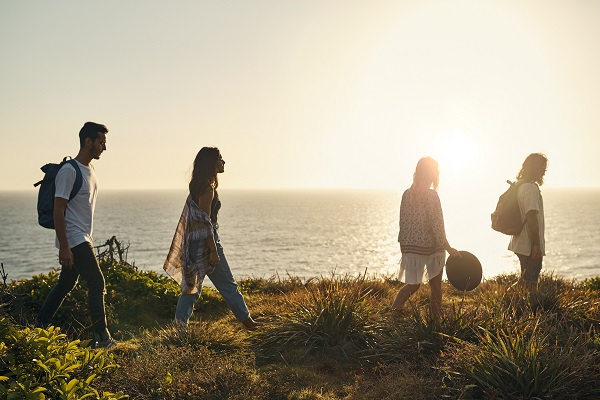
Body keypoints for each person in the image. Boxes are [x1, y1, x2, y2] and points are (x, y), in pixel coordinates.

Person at [35, 122, 116, 349]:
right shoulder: (69, 171)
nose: (104, 148)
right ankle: (102, 337)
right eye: (101, 142)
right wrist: (64, 246)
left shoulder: (91, 171)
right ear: (88, 141)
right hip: (74, 238)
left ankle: (38, 327)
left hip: (82, 237)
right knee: (96, 282)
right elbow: (58, 210)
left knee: (65, 284)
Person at [164, 147, 259, 330]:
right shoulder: (207, 189)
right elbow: (205, 223)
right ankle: (249, 324)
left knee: (190, 290)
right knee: (228, 286)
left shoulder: (199, 186)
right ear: (211, 163)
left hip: (194, 244)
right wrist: (213, 251)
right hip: (206, 243)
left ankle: (179, 329)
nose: (223, 162)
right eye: (220, 159)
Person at [391, 157, 459, 317]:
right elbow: (437, 224)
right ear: (432, 173)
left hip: (411, 247)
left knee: (413, 285)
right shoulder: (431, 195)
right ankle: (435, 322)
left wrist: (404, 246)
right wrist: (447, 246)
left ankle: (393, 312)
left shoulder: (407, 194)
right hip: (430, 247)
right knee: (436, 287)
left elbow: (403, 222)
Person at [508, 153, 548, 291]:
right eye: (542, 167)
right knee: (530, 283)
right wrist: (536, 245)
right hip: (528, 245)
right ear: (536, 168)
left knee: (525, 280)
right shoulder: (531, 188)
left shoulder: (521, 186)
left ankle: (512, 300)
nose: (544, 171)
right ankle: (525, 307)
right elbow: (531, 217)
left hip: (521, 242)